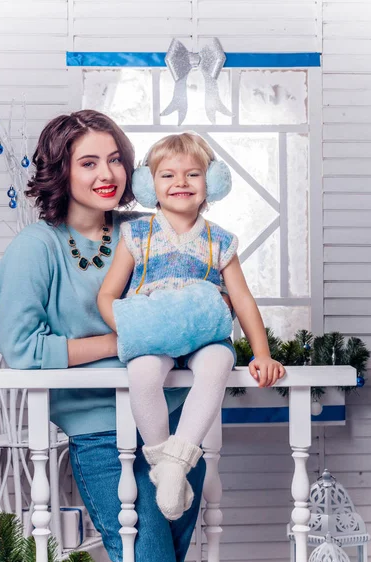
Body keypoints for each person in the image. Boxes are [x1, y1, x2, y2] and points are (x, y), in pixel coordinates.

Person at [0, 110, 205, 562]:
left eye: (115, 160)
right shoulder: (36, 247)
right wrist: (125, 338)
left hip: (177, 432)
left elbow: (197, 298)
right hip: (103, 435)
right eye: (88, 162)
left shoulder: (147, 232)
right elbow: (22, 348)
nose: (106, 174)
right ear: (60, 170)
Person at [97, 133, 286, 522]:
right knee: (143, 371)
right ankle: (164, 461)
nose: (180, 183)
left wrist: (263, 354)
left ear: (211, 183)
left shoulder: (220, 241)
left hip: (205, 335)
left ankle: (174, 463)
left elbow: (244, 300)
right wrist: (133, 327)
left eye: (193, 174)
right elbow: (107, 295)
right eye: (167, 175)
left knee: (217, 364)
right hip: (154, 332)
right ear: (149, 185)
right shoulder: (136, 235)